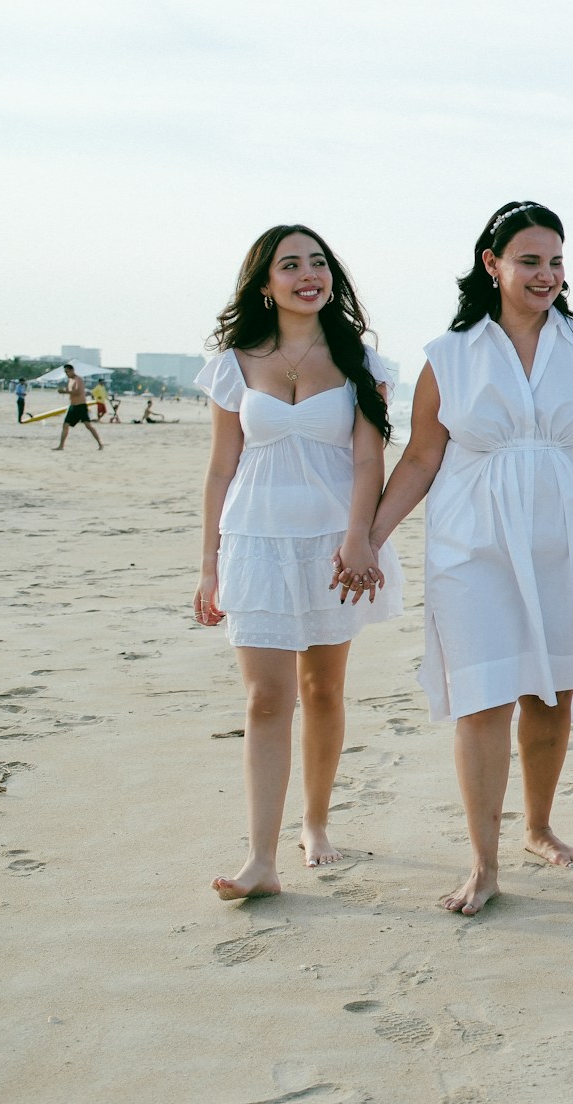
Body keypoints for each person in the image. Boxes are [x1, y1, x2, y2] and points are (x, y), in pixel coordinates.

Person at [368, 200, 573, 917]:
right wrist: (369, 535)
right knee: (484, 695)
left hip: (567, 538)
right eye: (530, 261)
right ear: (492, 265)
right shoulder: (449, 355)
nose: (546, 275)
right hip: (474, 546)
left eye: (556, 262)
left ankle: (540, 826)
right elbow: (423, 456)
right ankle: (484, 862)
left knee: (549, 694)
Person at [193, 225, 401, 901]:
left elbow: (370, 457)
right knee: (265, 698)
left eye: (318, 263)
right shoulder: (235, 360)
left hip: (332, 545)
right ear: (265, 283)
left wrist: (359, 537)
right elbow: (222, 465)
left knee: (322, 691)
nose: (307, 274)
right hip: (254, 539)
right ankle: (260, 859)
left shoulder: (358, 360)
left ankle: (315, 822)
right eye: (291, 265)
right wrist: (208, 564)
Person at [54, 364, 104, 450]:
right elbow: (71, 391)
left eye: (67, 372)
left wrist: (65, 392)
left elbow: (77, 391)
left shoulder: (78, 379)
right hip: (73, 406)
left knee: (88, 425)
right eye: (65, 372)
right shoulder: (71, 380)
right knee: (65, 425)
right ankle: (61, 446)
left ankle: (100, 444)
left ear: (72, 370)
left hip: (80, 406)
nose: (66, 374)